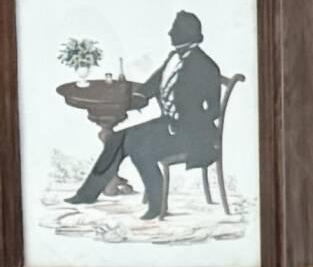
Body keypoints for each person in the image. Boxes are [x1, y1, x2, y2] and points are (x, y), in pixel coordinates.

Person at [63, 11, 229, 221]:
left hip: (195, 135)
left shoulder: (206, 66)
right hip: (168, 124)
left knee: (140, 149)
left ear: (186, 33)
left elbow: (214, 110)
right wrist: (139, 96)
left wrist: (185, 125)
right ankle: (87, 194)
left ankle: (157, 205)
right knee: (118, 137)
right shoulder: (173, 58)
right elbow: (154, 83)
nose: (169, 33)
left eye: (174, 29)